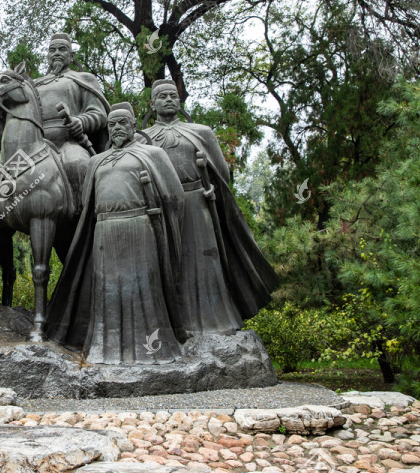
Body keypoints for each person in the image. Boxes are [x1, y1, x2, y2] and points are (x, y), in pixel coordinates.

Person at [46, 103, 185, 364]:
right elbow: (87, 206)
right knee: (106, 292)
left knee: (143, 289)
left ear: (134, 126)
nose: (117, 128)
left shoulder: (152, 154)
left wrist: (164, 226)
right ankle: (103, 351)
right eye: (112, 124)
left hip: (139, 228)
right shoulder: (96, 160)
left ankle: (153, 352)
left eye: (123, 122)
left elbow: (174, 197)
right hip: (104, 232)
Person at [142, 79, 277, 338]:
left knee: (204, 260)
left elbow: (223, 173)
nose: (168, 100)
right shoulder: (144, 138)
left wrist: (210, 177)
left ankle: (214, 321)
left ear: (180, 102)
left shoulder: (201, 132)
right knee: (167, 263)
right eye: (162, 97)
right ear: (152, 104)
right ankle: (171, 325)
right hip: (163, 207)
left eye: (173, 96)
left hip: (196, 202)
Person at [33, 33, 109, 208]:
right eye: (52, 50)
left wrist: (81, 122)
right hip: (37, 145)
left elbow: (99, 114)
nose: (57, 53)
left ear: (71, 55)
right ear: (47, 56)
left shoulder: (84, 79)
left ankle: (80, 216)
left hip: (69, 142)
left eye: (62, 49)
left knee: (77, 165)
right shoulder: (35, 84)